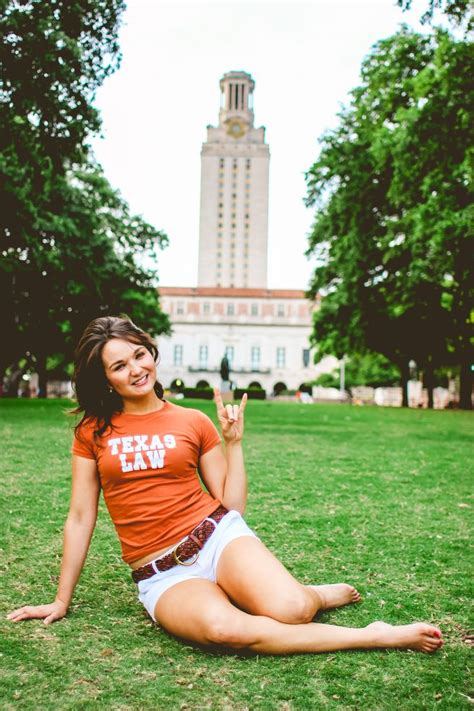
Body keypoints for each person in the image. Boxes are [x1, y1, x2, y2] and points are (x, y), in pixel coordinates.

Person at [7, 316, 443, 654]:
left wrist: (234, 444)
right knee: (224, 631)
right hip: (162, 573)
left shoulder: (192, 421)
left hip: (217, 537)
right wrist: (61, 600)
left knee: (294, 610)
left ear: (151, 353)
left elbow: (230, 505)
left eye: (139, 355)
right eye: (119, 366)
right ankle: (373, 636)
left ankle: (310, 595)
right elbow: (81, 517)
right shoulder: (93, 432)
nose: (135, 369)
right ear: (106, 379)